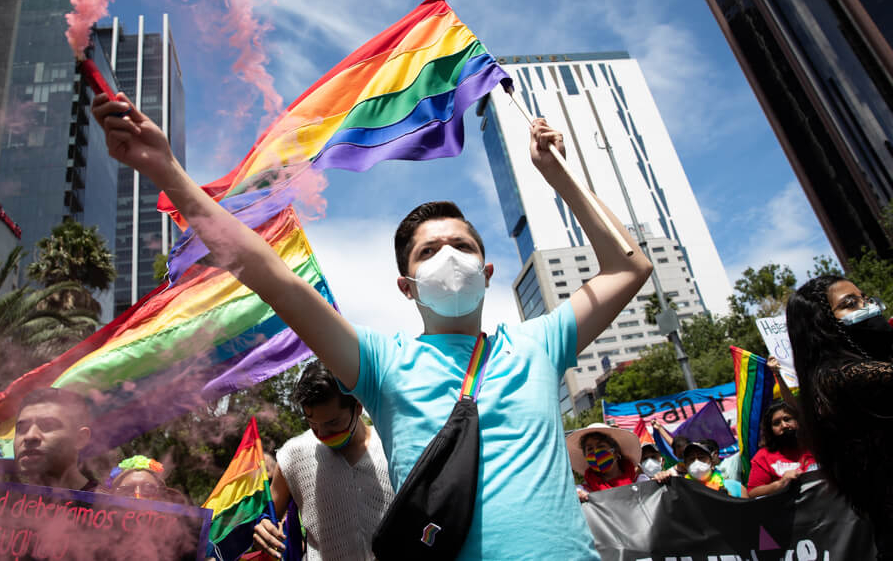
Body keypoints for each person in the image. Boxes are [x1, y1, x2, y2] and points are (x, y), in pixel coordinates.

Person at [92, 82, 652, 559]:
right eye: (429, 252)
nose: (448, 256)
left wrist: (558, 177)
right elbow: (271, 275)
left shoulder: (541, 340)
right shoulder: (383, 363)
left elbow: (630, 268)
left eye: (461, 245)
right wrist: (164, 169)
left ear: (486, 273)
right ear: (406, 286)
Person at [787, 275, 893, 557]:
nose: (867, 307)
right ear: (822, 324)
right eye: (850, 304)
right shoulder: (837, 377)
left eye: (864, 299)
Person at [253, 360, 394, 560]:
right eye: (312, 424)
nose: (323, 434)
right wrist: (262, 528)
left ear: (358, 405)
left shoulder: (391, 446)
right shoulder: (293, 456)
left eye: (333, 423)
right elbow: (267, 518)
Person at [13, 388, 98, 491]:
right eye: (21, 429)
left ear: (80, 439)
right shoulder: (1, 499)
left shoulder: (109, 504)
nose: (30, 436)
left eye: (48, 426)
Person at [747, 401, 817, 498]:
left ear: (797, 420)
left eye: (787, 419)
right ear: (770, 429)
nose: (784, 425)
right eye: (776, 423)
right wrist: (780, 484)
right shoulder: (763, 457)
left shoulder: (815, 444)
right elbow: (752, 492)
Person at [567, 423, 644, 502]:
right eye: (590, 449)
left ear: (615, 451)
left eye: (601, 446)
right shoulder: (584, 491)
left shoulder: (641, 482)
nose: (595, 452)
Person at [655, 439, 746, 497]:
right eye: (691, 459)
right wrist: (661, 480)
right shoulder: (680, 492)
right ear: (686, 465)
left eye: (701, 457)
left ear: (711, 462)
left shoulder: (735, 487)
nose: (696, 462)